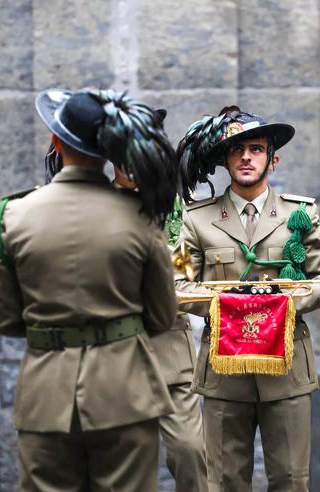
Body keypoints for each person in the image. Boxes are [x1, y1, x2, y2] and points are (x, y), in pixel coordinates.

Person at [0, 88, 178, 491]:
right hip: (126, 394)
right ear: (108, 152)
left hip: (45, 397)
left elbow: (5, 320)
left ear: (57, 142)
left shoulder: (15, 215)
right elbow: (162, 317)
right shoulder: (140, 217)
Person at [173, 106, 320, 490]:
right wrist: (234, 306)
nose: (246, 157)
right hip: (224, 368)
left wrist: (279, 305)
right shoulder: (196, 220)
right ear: (225, 160)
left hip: (286, 368)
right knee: (224, 481)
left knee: (290, 480)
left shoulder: (301, 215)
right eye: (237, 150)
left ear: (273, 159)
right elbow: (177, 285)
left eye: (255, 149)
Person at [111, 109, 208, 492]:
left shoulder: (172, 206)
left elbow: (182, 271)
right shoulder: (99, 204)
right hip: (115, 351)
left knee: (189, 451)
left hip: (168, 345)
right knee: (125, 463)